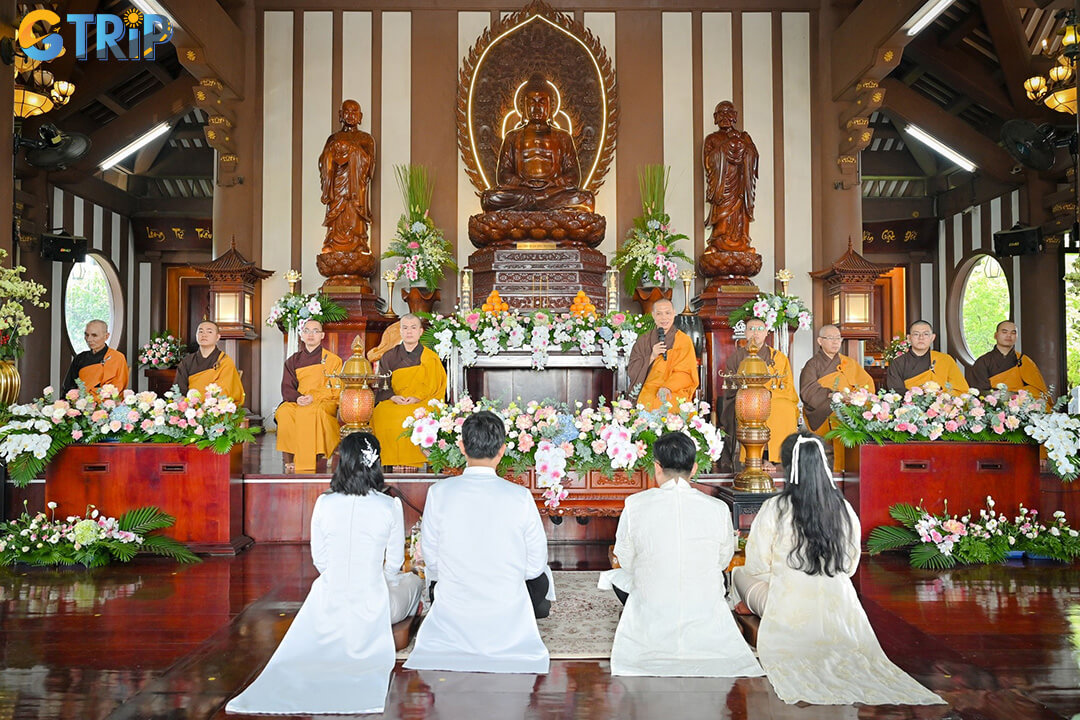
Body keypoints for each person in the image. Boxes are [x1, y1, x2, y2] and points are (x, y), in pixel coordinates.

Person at [730, 431, 945, 706]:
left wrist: (782, 578)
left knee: (739, 574)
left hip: (784, 606)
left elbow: (757, 565)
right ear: (824, 465)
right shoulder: (842, 508)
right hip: (838, 606)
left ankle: (747, 607)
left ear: (787, 465)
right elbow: (850, 566)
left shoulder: (776, 507)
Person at [226, 432, 423, 715]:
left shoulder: (324, 502)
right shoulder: (388, 505)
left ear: (340, 462)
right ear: (376, 463)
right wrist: (389, 582)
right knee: (413, 581)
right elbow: (392, 564)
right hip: (375, 605)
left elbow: (321, 560)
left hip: (326, 601)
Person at [600, 432, 763, 678]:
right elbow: (722, 560)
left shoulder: (635, 504)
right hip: (704, 607)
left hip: (653, 603)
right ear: (694, 468)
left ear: (656, 467)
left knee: (619, 578)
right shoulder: (718, 508)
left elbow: (625, 559)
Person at [404, 410, 554, 674]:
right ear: (502, 450)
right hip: (505, 606)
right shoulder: (520, 496)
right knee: (541, 582)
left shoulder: (438, 493)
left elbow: (432, 559)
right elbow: (535, 566)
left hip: (454, 601)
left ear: (462, 447)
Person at [480, 73, 595, 213]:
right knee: (488, 198)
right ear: (523, 106)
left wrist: (554, 183)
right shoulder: (512, 137)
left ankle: (536, 203)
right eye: (531, 102)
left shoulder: (563, 137)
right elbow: (503, 175)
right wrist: (522, 183)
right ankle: (539, 203)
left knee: (586, 199)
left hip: (553, 193)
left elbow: (573, 175)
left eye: (542, 102)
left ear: (551, 106)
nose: (536, 107)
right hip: (523, 193)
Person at [370, 314, 447, 468]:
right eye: (405, 328)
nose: (409, 331)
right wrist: (392, 397)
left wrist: (417, 397)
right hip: (395, 400)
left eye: (413, 328)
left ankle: (417, 461)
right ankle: (387, 462)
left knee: (416, 415)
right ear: (400, 331)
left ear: (420, 331)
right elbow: (383, 383)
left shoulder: (430, 357)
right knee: (381, 413)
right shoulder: (389, 356)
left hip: (423, 400)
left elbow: (436, 385)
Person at [720, 317, 798, 466]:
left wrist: (768, 394)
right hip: (746, 399)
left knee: (785, 408)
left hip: (774, 397)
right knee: (753, 407)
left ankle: (775, 458)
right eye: (751, 329)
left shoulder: (778, 357)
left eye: (760, 329)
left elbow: (787, 386)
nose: (755, 333)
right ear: (745, 332)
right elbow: (731, 386)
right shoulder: (735, 358)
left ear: (767, 332)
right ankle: (756, 458)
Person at [275, 319, 344, 474]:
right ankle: (290, 458)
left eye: (315, 331)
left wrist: (314, 397)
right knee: (284, 411)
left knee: (310, 412)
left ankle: (309, 459)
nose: (310, 335)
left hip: (324, 401)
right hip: (299, 400)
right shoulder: (293, 360)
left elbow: (336, 388)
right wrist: (298, 398)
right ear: (301, 335)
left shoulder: (333, 360)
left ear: (322, 336)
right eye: (306, 331)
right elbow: (287, 387)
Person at [319, 99, 376, 254]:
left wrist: (352, 151)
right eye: (347, 111)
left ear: (360, 116)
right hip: (338, 186)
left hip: (356, 187)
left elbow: (370, 166)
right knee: (337, 214)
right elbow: (323, 162)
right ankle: (332, 242)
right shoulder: (334, 138)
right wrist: (331, 154)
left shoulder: (366, 139)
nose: (350, 115)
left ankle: (359, 241)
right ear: (340, 115)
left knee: (354, 212)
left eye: (354, 112)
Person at [703, 100, 758, 253]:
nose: (725, 117)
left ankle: (742, 243)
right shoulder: (712, 139)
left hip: (740, 186)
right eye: (721, 113)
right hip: (723, 186)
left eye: (729, 113)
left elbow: (753, 157)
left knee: (740, 215)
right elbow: (708, 163)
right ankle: (719, 243)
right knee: (723, 218)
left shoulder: (744, 137)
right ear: (715, 117)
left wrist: (739, 142)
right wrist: (726, 146)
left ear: (735, 116)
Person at [800, 324, 875, 433]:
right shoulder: (812, 365)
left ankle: (856, 449)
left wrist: (855, 397)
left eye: (838, 338)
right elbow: (808, 392)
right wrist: (835, 395)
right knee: (839, 412)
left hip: (851, 403)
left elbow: (866, 384)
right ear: (820, 341)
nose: (835, 342)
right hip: (825, 407)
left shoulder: (849, 362)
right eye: (831, 338)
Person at [626, 299, 698, 411]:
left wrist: (668, 387)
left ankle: (673, 428)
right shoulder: (644, 340)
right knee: (648, 400)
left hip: (674, 388)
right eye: (659, 313)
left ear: (674, 314)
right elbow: (632, 369)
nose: (664, 318)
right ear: (653, 316)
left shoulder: (683, 340)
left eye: (668, 313)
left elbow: (685, 373)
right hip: (649, 387)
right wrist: (652, 356)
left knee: (671, 402)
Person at [885, 320, 968, 395]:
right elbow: (896, 392)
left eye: (926, 334)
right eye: (916, 334)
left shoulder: (945, 360)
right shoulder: (898, 363)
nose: (921, 337)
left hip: (941, 407)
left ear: (932, 337)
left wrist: (942, 396)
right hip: (909, 408)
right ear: (909, 338)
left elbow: (960, 390)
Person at [968, 320, 1048, 398]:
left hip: (1021, 406)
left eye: (1013, 333)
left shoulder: (1024, 360)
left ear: (1016, 337)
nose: (1009, 335)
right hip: (993, 406)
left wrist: (1017, 397)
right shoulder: (983, 361)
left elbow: (1037, 390)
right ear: (995, 335)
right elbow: (979, 390)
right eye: (1004, 332)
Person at [174, 321, 245, 404]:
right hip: (191, 408)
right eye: (200, 331)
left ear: (218, 337)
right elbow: (179, 388)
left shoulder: (224, 361)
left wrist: (206, 404)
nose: (204, 335)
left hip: (215, 408)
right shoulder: (187, 361)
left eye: (209, 332)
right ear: (196, 335)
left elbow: (226, 391)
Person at [61, 319, 129, 395]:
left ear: (106, 336)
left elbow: (118, 388)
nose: (89, 339)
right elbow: (68, 386)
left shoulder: (117, 358)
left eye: (94, 335)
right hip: (80, 403)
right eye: (86, 335)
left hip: (107, 403)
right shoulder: (80, 358)